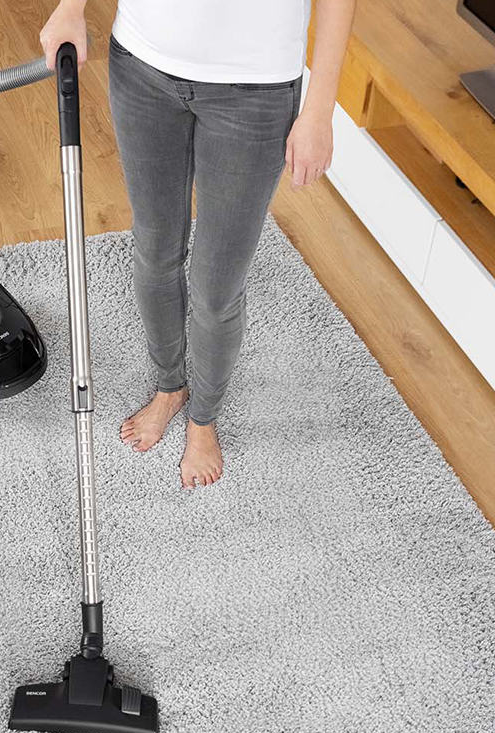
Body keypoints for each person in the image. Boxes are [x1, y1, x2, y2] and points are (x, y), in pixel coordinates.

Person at [40, 0, 356, 489]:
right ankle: (170, 388)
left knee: (216, 287)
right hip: (142, 65)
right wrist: (70, 8)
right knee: (155, 252)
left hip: (256, 89)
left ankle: (203, 419)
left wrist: (319, 110)